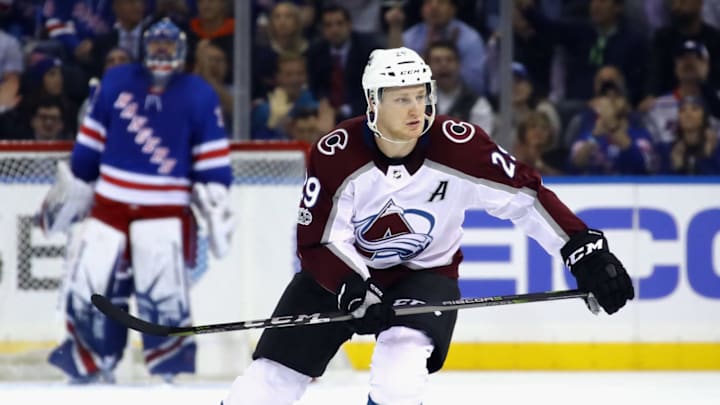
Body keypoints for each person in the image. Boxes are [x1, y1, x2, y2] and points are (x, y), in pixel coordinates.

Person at [221, 47, 634, 405]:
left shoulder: (461, 147)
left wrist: (584, 252)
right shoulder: (335, 154)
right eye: (402, 99)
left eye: (420, 96)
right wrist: (353, 289)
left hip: (424, 275)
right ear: (373, 102)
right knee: (266, 386)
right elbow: (317, 241)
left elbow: (527, 197)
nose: (416, 109)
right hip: (339, 277)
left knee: (400, 375)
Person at [41, 18, 235, 384]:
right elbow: (88, 150)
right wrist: (76, 185)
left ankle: (169, 370)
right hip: (109, 207)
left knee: (163, 296)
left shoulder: (198, 93)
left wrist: (215, 197)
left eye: (169, 43)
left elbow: (212, 163)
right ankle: (89, 365)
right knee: (90, 288)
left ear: (181, 48)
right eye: (156, 43)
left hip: (165, 211)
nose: (162, 50)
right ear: (143, 46)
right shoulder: (115, 82)